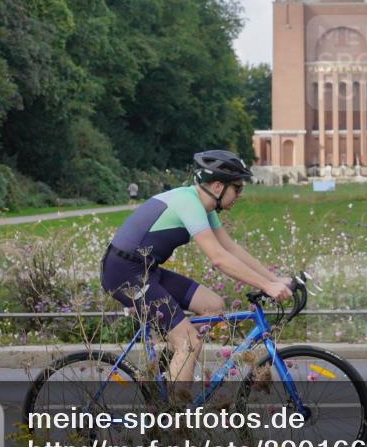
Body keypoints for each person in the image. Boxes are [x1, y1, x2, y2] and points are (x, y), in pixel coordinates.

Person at [100, 150, 292, 383]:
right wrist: (266, 285)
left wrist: (273, 279)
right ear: (219, 187)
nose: (240, 194)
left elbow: (231, 248)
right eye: (238, 188)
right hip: (124, 274)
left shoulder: (203, 205)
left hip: (145, 270)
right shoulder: (189, 203)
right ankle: (173, 414)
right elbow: (218, 258)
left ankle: (167, 375)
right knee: (189, 342)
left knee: (213, 306)